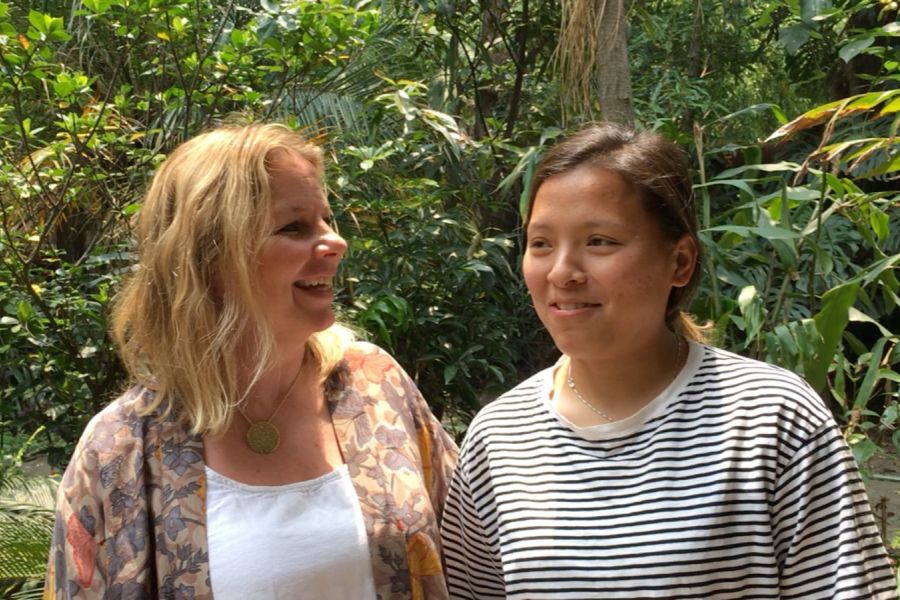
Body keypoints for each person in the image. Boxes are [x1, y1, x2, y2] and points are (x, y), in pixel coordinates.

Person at [440, 122, 896, 599]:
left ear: (680, 261)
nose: (561, 272)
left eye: (599, 241)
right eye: (541, 244)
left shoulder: (770, 417)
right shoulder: (499, 437)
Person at [45, 123, 458, 600]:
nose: (336, 242)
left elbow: (475, 553)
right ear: (209, 259)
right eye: (294, 227)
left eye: (327, 220)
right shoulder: (119, 448)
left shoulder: (376, 386)